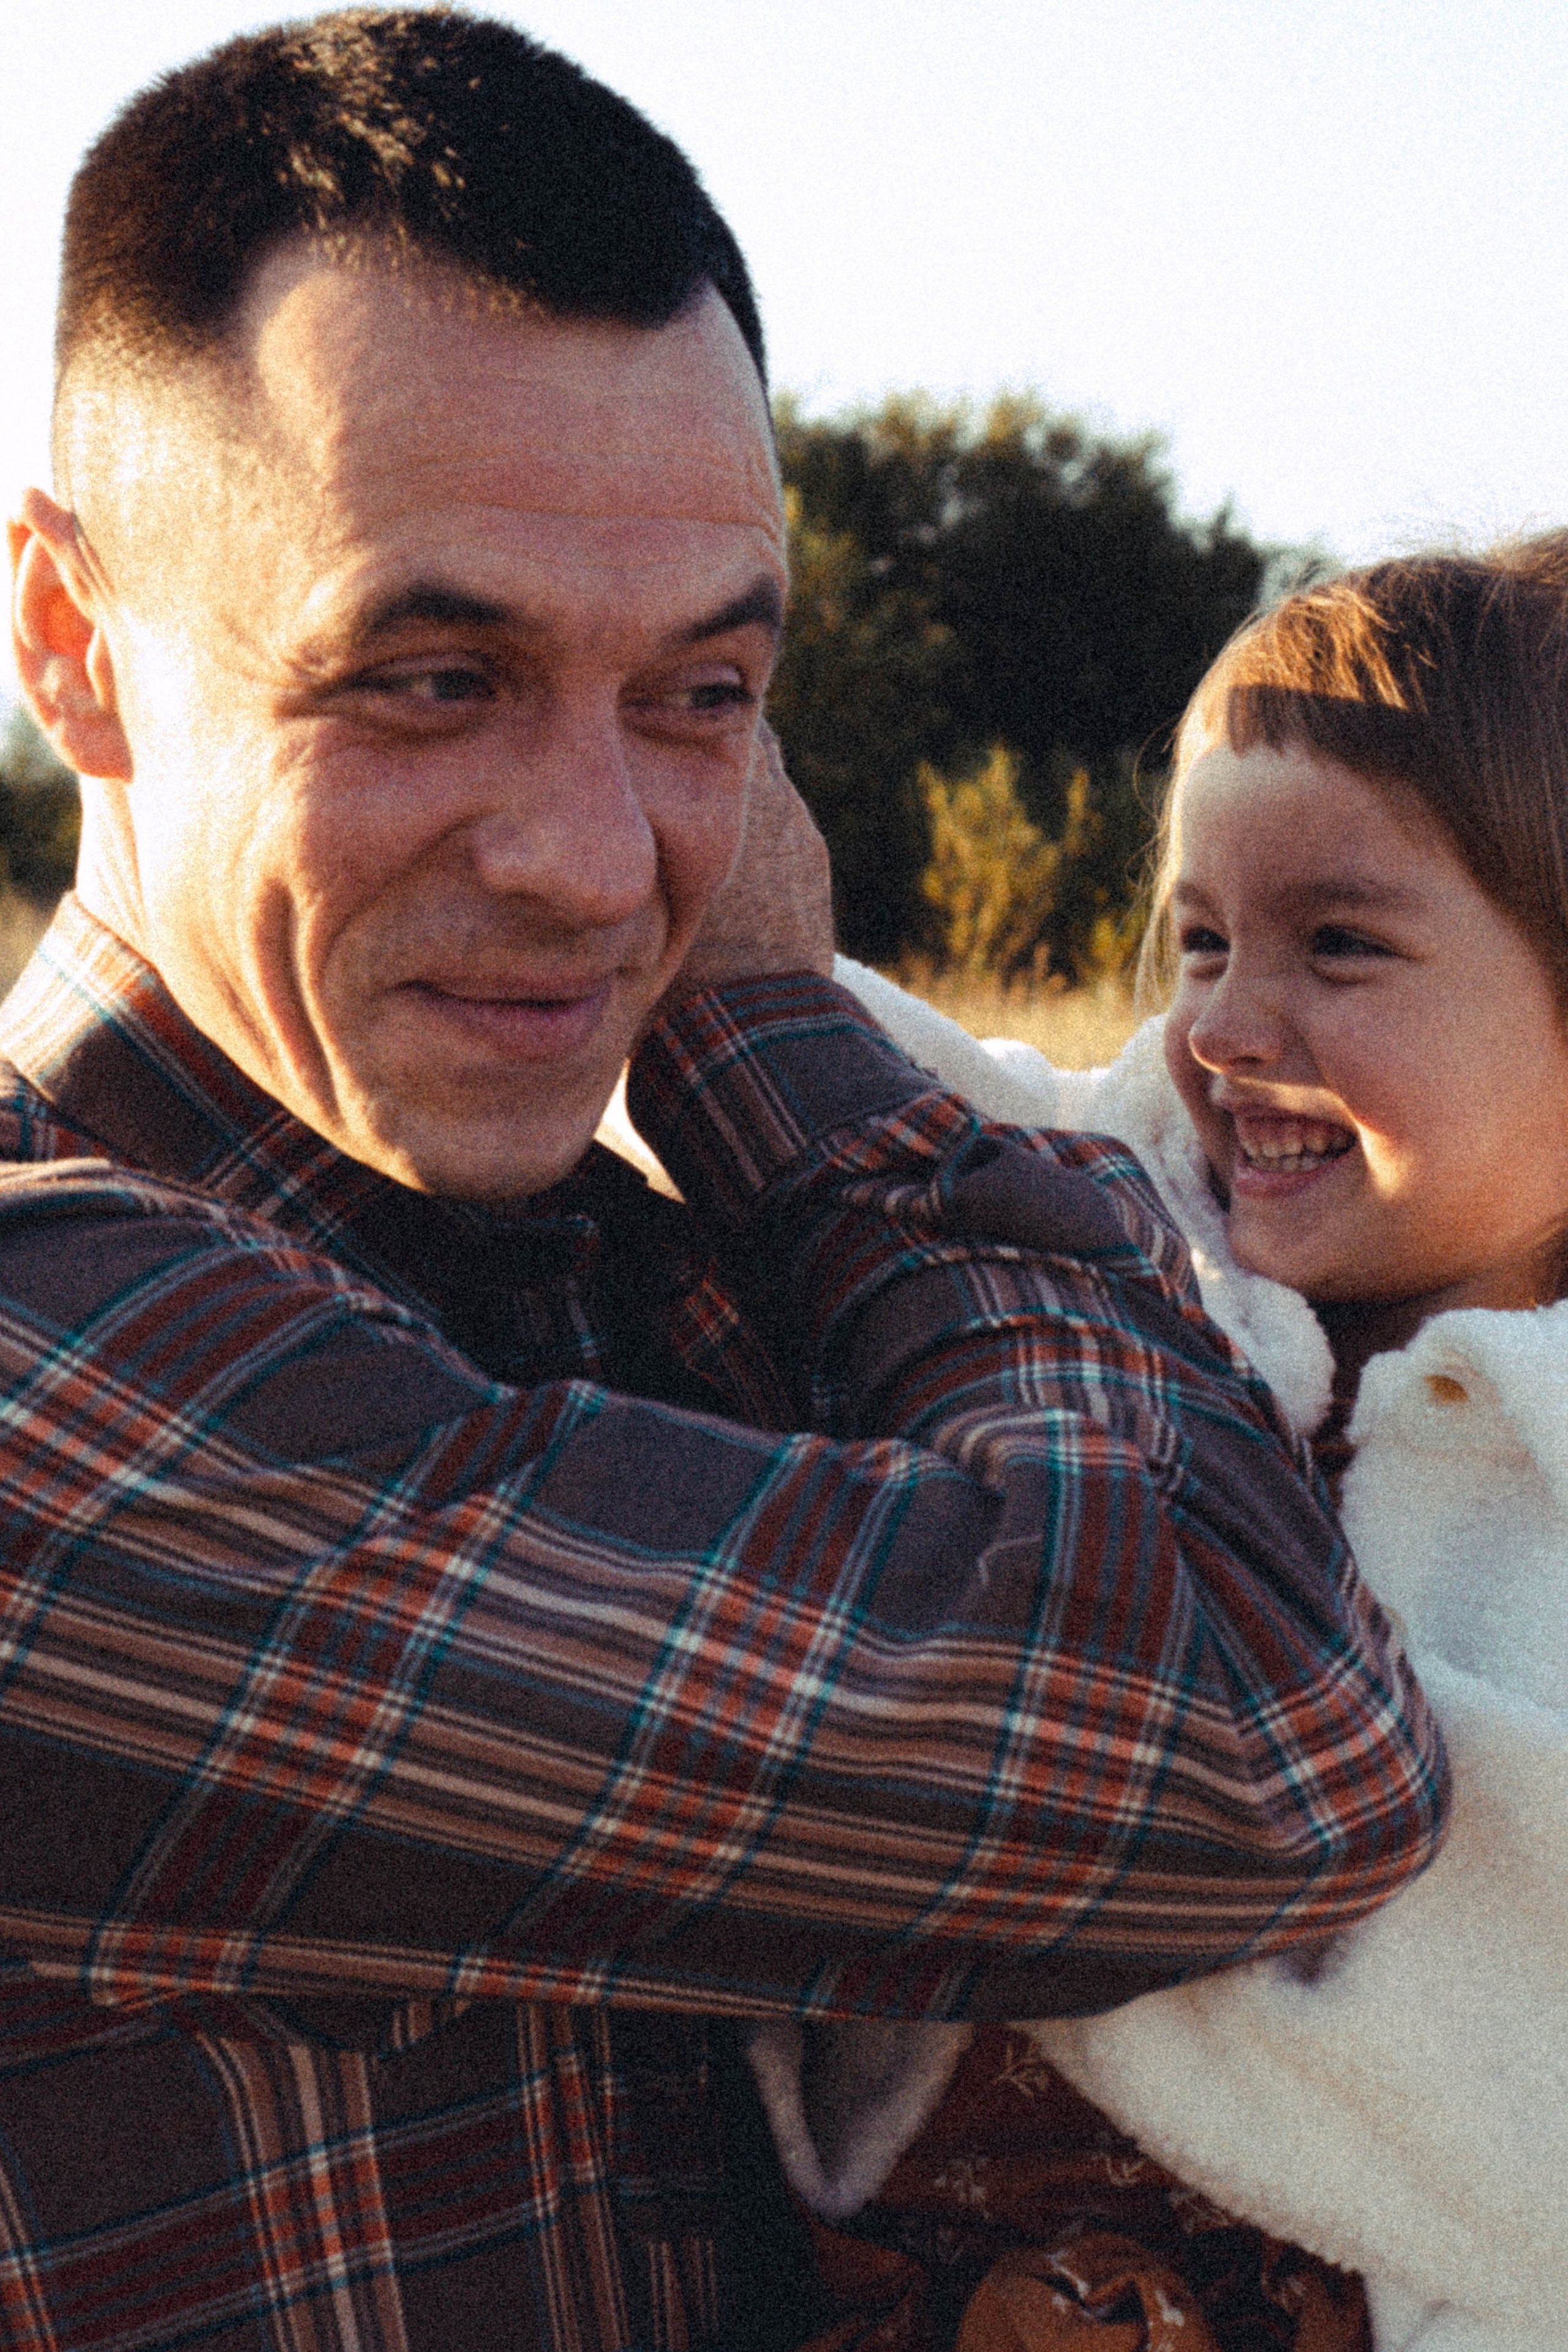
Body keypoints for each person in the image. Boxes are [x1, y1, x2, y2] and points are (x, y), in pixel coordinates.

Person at [0, 12, 1444, 2349]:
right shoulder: (43, 1384)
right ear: (76, 643)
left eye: (703, 696)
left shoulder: (670, 1287)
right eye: (431, 676)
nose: (596, 866)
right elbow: (1254, 1740)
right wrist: (775, 1012)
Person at [787, 540, 1568, 2350]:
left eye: (1340, 946)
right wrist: (699, 946)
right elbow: (912, 1093)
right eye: (1204, 936)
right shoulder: (1149, 1227)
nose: (1224, 1024)